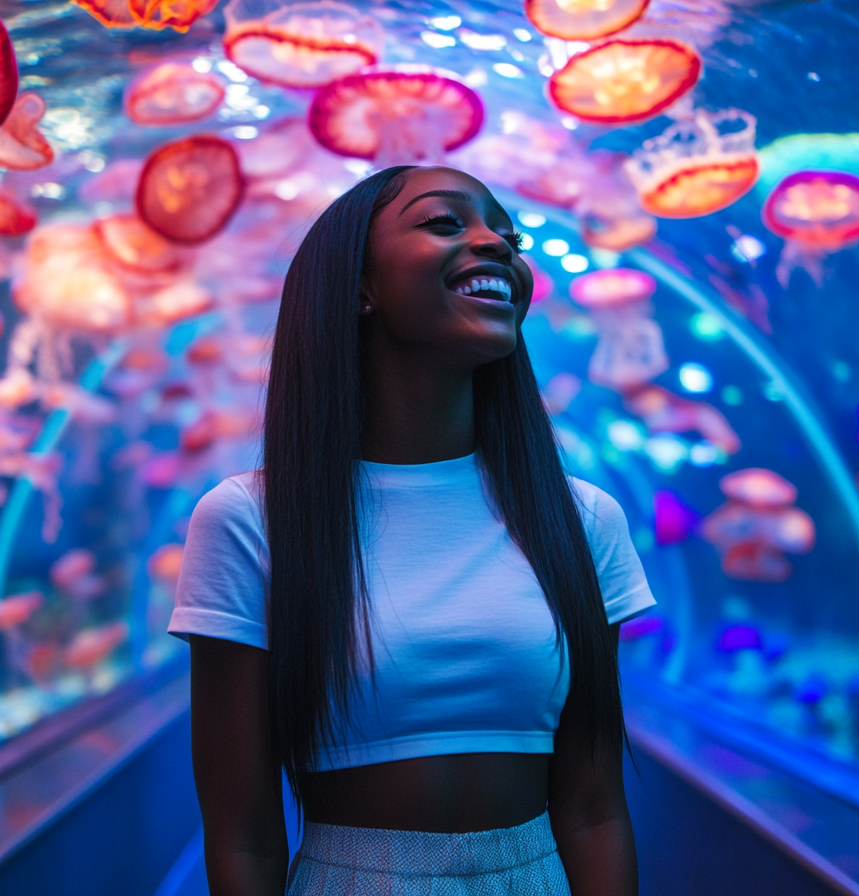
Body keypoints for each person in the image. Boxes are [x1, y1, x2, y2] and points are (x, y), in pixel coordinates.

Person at [170, 165, 655, 895]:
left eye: (506, 233)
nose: (496, 243)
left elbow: (594, 814)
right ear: (358, 285)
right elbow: (243, 835)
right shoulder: (248, 520)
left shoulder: (582, 518)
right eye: (444, 223)